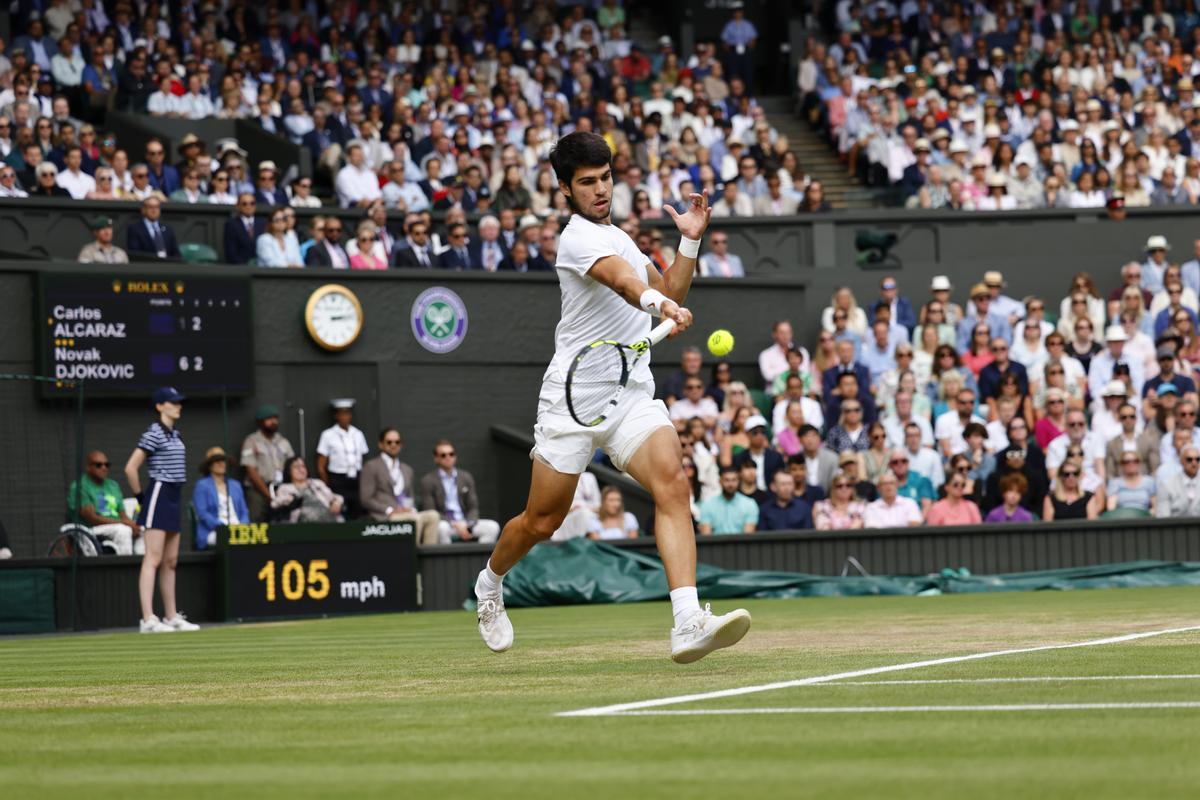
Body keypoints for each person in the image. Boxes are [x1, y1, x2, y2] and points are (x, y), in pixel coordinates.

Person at [472, 131, 749, 662]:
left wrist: (689, 242)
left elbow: (668, 292)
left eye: (605, 179)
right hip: (573, 398)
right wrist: (657, 304)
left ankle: (688, 619)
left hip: (629, 392)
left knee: (674, 482)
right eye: (587, 182)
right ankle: (489, 584)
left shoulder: (621, 236)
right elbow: (627, 285)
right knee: (541, 521)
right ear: (565, 189)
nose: (600, 190)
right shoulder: (575, 239)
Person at [123, 387, 199, 633]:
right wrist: (140, 498)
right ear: (160, 406)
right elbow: (130, 468)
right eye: (172, 402)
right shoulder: (154, 433)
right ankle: (148, 619)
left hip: (174, 494)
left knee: (171, 561)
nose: (178, 406)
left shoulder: (175, 434)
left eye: (179, 402)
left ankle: (170, 616)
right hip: (159, 492)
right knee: (153, 558)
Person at [359, 427, 441, 545]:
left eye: (397, 442)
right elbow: (366, 499)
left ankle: (427, 558)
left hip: (405, 512)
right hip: (384, 515)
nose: (393, 445)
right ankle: (412, 558)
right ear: (381, 444)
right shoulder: (371, 466)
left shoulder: (407, 469)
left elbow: (409, 496)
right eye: (389, 442)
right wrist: (390, 510)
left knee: (433, 516)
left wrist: (409, 508)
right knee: (414, 520)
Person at [421, 439, 501, 544]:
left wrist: (469, 524)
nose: (448, 457)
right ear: (436, 458)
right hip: (447, 524)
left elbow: (473, 507)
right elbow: (431, 511)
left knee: (492, 527)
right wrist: (455, 524)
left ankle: (479, 559)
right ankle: (447, 560)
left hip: (466, 523)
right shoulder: (428, 480)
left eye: (451, 454)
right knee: (441, 528)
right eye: (443, 455)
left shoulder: (466, 477)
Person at [66, 449, 142, 555]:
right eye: (98, 465)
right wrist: (123, 523)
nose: (104, 468)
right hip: (91, 529)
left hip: (116, 526)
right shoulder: (80, 486)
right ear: (88, 467)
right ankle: (125, 569)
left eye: (107, 465)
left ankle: (141, 567)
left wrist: (133, 525)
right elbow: (92, 518)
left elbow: (122, 515)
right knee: (123, 531)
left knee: (143, 531)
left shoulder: (113, 486)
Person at [239, 404, 296, 523]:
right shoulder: (251, 441)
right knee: (257, 517)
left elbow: (293, 464)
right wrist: (269, 495)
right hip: (258, 488)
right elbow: (251, 471)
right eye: (269, 419)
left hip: (282, 487)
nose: (273, 422)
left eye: (275, 419)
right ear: (260, 422)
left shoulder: (283, 441)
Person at [316, 399, 370, 520]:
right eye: (342, 414)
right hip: (338, 479)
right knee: (339, 512)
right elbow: (321, 464)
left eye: (347, 413)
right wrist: (327, 486)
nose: (345, 417)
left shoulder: (358, 434)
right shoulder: (328, 435)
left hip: (356, 478)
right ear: (336, 416)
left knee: (358, 510)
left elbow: (364, 457)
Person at [192, 447, 250, 550]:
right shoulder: (202, 485)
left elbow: (244, 511)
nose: (221, 463)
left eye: (223, 460)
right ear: (209, 466)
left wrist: (241, 527)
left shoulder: (235, 485)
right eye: (217, 461)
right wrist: (223, 528)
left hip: (238, 530)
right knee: (231, 540)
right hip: (214, 531)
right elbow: (203, 513)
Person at [272, 456, 344, 523]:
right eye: (296, 467)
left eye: (303, 466)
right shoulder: (285, 488)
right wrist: (289, 499)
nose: (301, 469)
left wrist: (336, 503)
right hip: (302, 524)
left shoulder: (317, 483)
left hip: (327, 519)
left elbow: (335, 497)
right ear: (289, 471)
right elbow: (274, 503)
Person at [699, 466, 759, 535]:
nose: (730, 484)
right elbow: (706, 537)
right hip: (716, 545)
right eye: (727, 480)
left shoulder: (750, 504)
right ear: (720, 481)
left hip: (741, 545)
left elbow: (748, 538)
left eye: (734, 480)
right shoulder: (707, 505)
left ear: (739, 481)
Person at [1156, 445, 1200, 517]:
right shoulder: (1166, 485)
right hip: (1175, 527)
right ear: (1181, 461)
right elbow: (1163, 517)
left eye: (1198, 459)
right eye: (1189, 459)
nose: (1194, 463)